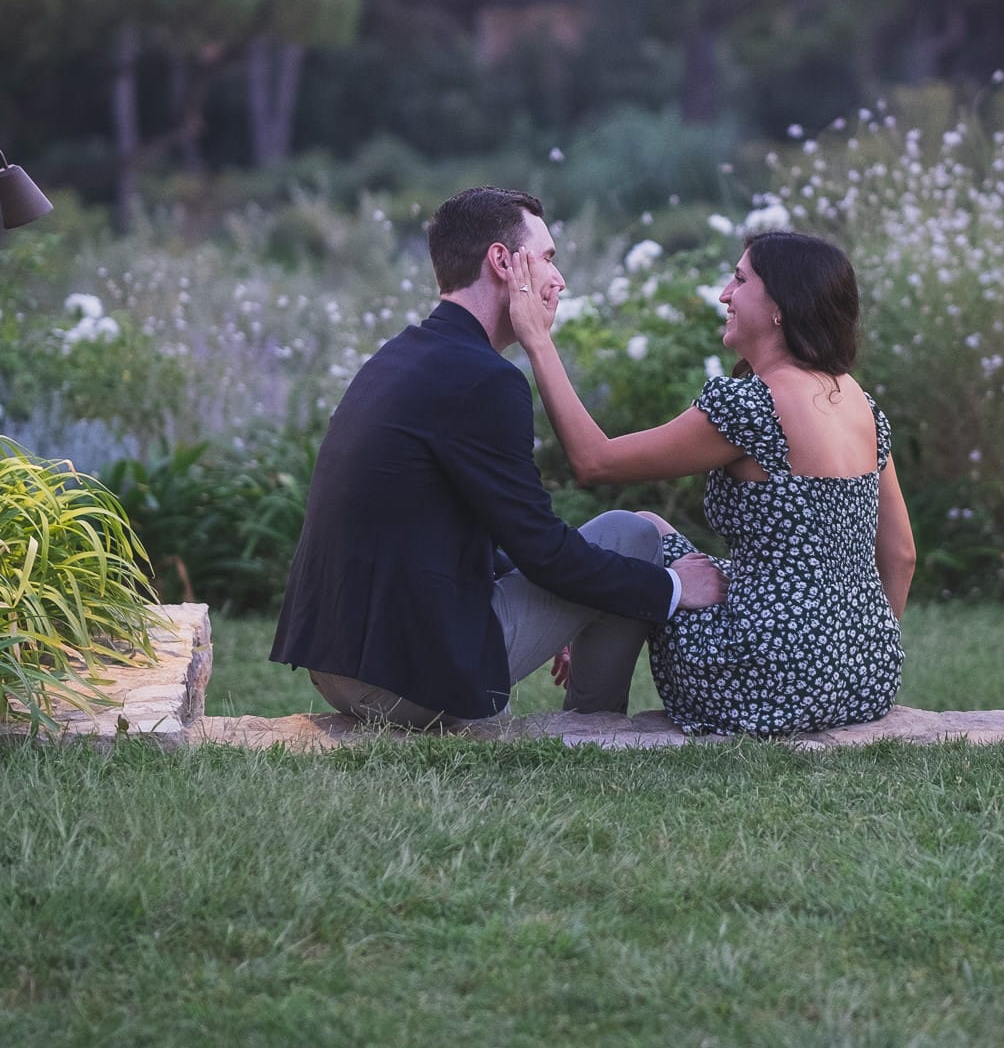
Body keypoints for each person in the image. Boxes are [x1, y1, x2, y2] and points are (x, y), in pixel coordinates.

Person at [271, 187, 725, 728]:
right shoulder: (484, 380)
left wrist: (574, 602)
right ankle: (592, 724)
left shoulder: (402, 357)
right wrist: (673, 588)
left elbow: (487, 534)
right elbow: (544, 552)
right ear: (503, 262)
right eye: (549, 259)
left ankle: (589, 713)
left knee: (608, 550)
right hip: (402, 681)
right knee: (635, 535)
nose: (560, 281)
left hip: (341, 667)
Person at [505, 227, 916, 737]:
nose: (724, 294)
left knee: (637, 553)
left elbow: (594, 462)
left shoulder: (749, 406)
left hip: (761, 673)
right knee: (647, 525)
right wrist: (852, 646)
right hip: (866, 675)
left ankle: (587, 718)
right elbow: (900, 556)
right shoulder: (863, 406)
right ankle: (588, 700)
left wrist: (537, 341)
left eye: (740, 279)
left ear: (780, 307)